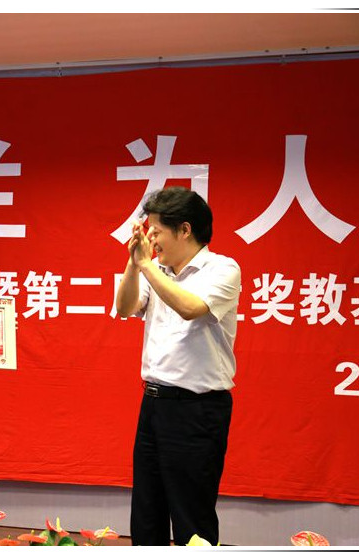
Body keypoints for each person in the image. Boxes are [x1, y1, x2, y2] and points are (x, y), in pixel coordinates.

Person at [115, 187, 241, 546]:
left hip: (197, 410)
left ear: (184, 229)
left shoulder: (223, 268)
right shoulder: (154, 269)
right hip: (154, 403)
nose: (151, 240)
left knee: (192, 517)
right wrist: (133, 264)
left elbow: (190, 308)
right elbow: (124, 308)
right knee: (146, 512)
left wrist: (147, 267)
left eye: (156, 231)